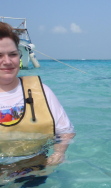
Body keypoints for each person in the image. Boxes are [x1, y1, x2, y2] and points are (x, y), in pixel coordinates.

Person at [0, 22, 75, 169]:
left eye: (13, 54)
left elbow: (66, 132)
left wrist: (58, 153)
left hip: (34, 167)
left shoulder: (41, 91)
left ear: (19, 56)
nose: (7, 61)